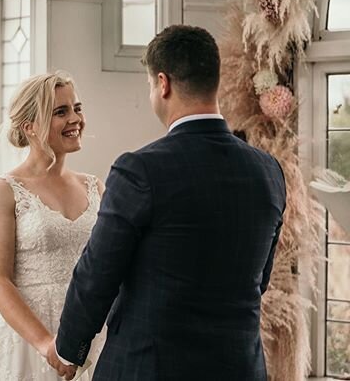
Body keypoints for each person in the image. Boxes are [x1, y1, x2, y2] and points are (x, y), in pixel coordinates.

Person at [49, 25, 287, 380]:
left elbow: (99, 272)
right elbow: (260, 279)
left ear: (163, 83)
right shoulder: (268, 171)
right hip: (239, 367)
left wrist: (69, 347)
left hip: (149, 366)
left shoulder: (141, 170)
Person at [0, 71, 105, 380]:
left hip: (91, 334)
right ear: (30, 127)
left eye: (77, 108)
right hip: (29, 341)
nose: (75, 119)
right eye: (61, 112)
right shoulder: (2, 192)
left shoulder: (95, 187)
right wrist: (46, 345)